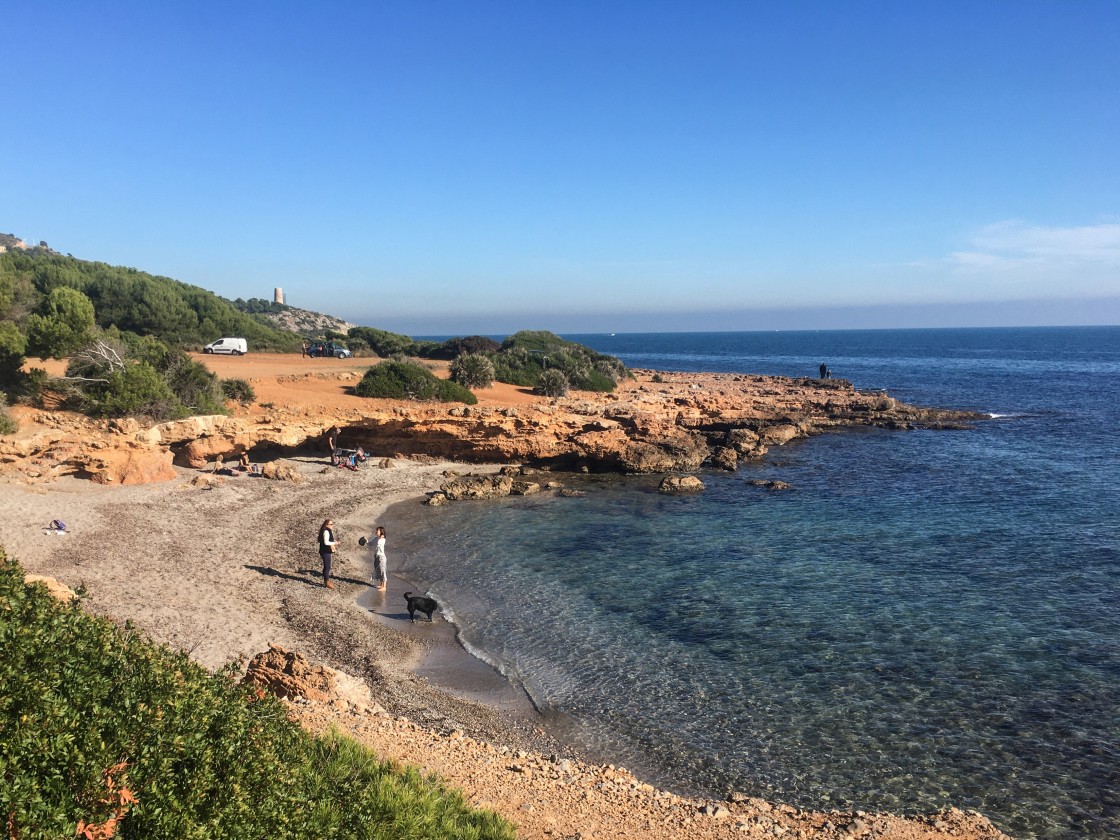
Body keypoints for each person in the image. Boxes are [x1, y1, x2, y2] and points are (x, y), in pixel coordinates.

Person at [318, 519, 337, 589]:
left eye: (332, 524)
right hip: (325, 551)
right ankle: (327, 581)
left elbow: (328, 540)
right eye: (331, 524)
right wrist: (335, 543)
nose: (332, 526)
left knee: (327, 566)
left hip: (325, 551)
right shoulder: (326, 531)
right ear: (326, 525)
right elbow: (326, 542)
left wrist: (334, 541)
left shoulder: (327, 531)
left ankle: (326, 580)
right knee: (327, 567)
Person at [373, 526, 387, 592]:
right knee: (378, 570)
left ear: (381, 532)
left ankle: (384, 587)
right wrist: (366, 541)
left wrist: (380, 537)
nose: (376, 531)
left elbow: (378, 543)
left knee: (382, 571)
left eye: (377, 531)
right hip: (376, 556)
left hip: (381, 557)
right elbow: (371, 543)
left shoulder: (383, 539)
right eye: (376, 530)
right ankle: (381, 585)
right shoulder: (376, 538)